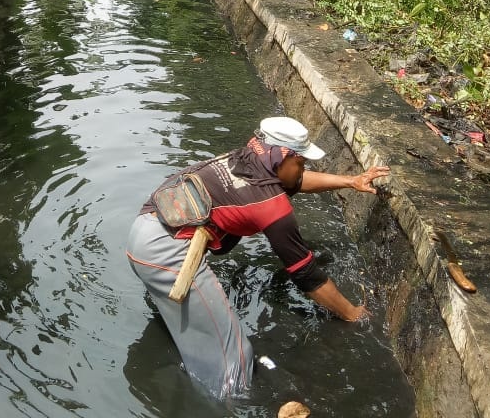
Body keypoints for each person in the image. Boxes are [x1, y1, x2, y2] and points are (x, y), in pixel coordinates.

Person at [126, 116, 389, 400]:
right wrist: (352, 314)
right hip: (165, 254)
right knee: (233, 357)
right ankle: (226, 405)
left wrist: (351, 181)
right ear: (284, 156)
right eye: (301, 162)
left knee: (195, 328)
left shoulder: (246, 159)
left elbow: (295, 181)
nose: (303, 169)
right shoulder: (271, 207)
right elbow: (306, 274)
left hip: (143, 230)